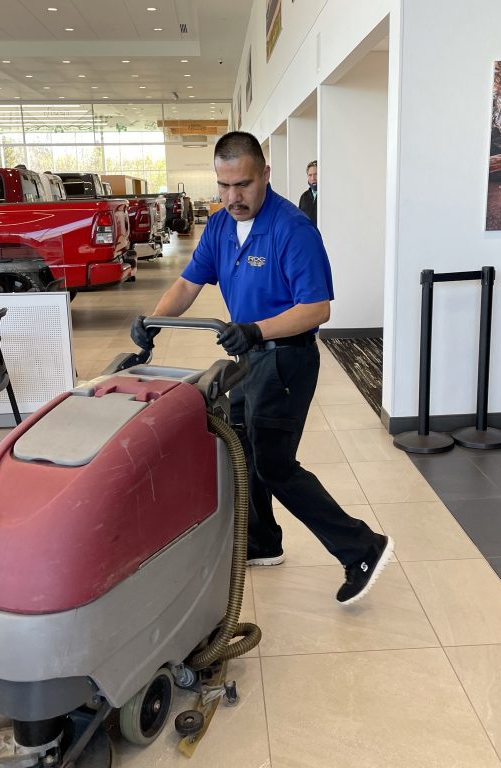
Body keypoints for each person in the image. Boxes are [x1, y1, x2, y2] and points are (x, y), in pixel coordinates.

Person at [131, 132, 391, 605]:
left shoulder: (292, 229)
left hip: (287, 360)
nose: (233, 197)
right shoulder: (219, 227)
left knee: (274, 464)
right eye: (224, 186)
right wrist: (152, 320)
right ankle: (263, 542)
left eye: (244, 185)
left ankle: (361, 547)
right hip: (247, 358)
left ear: (266, 175)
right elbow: (188, 285)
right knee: (243, 450)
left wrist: (256, 330)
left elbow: (317, 309)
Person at [298, 160, 317, 225]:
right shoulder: (304, 197)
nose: (313, 178)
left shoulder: (327, 195)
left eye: (316, 174)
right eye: (310, 175)